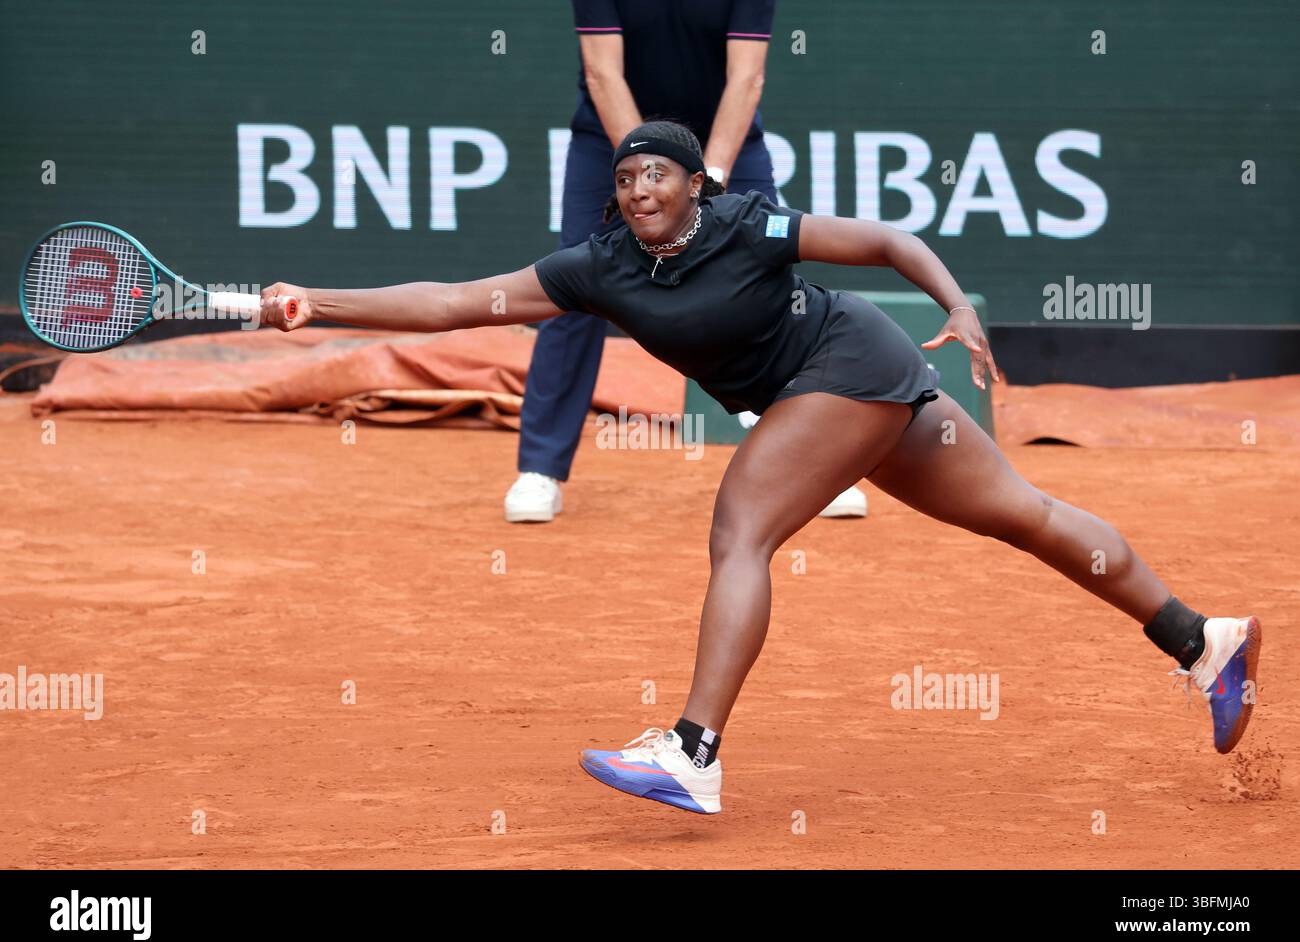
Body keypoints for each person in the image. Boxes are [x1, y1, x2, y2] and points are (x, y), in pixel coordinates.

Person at [256, 121, 1262, 815]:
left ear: (696, 184)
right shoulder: (595, 267)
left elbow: (882, 239)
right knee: (1022, 514)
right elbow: (451, 304)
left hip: (853, 362)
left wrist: (955, 305)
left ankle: (692, 753)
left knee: (742, 529)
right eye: (625, 176)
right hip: (848, 389)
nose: (640, 187)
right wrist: (320, 304)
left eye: (659, 173)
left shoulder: (750, 224)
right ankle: (1200, 639)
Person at [507, 0, 867, 522]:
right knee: (573, 286)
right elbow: (602, 73)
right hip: (609, 141)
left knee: (774, 295)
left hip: (725, 142)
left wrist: (709, 178)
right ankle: (539, 467)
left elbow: (746, 78)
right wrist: (646, 172)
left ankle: (814, 465)